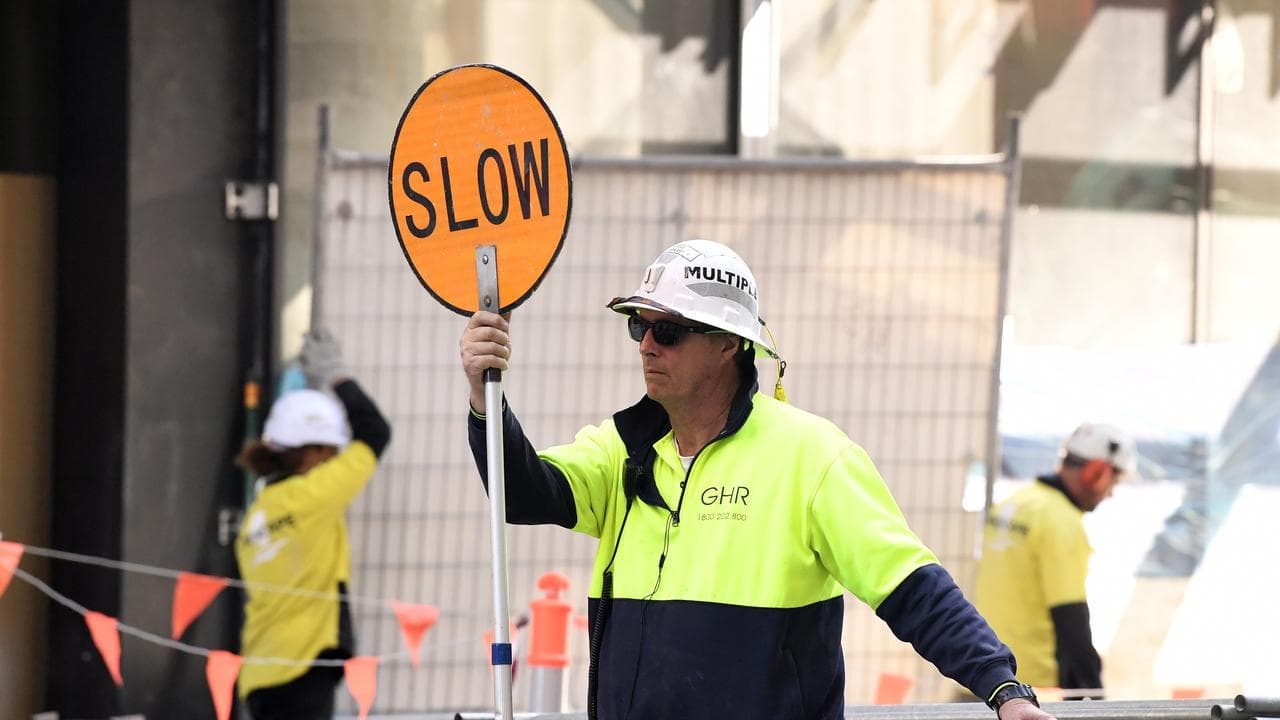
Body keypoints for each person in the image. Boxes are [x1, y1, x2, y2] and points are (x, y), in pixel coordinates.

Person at [459, 239, 1055, 720]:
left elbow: (911, 586)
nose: (647, 346)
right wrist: (486, 395)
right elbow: (522, 492)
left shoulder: (812, 456)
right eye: (639, 326)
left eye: (668, 331)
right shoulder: (622, 449)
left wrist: (1002, 689)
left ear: (727, 344)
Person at [234, 328, 391, 719]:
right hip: (303, 668)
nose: (335, 459)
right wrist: (336, 375)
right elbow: (374, 431)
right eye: (331, 451)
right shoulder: (312, 497)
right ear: (311, 452)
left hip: (260, 674)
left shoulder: (258, 513)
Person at [973, 422, 1136, 697]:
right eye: (1113, 482)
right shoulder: (1061, 521)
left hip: (981, 671)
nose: (1110, 494)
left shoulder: (1014, 503)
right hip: (1028, 688)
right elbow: (1071, 617)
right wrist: (1091, 691)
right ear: (1097, 473)